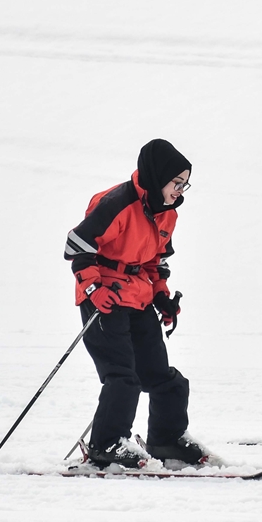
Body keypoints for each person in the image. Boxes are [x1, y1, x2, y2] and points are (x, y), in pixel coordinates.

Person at [63, 138, 206, 469]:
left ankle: (166, 439)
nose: (180, 191)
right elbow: (78, 246)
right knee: (122, 377)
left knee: (163, 377)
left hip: (138, 296)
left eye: (185, 184)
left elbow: (155, 260)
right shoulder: (118, 203)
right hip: (106, 299)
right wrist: (92, 287)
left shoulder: (166, 213)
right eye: (176, 183)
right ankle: (105, 445)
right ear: (158, 177)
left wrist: (161, 295)